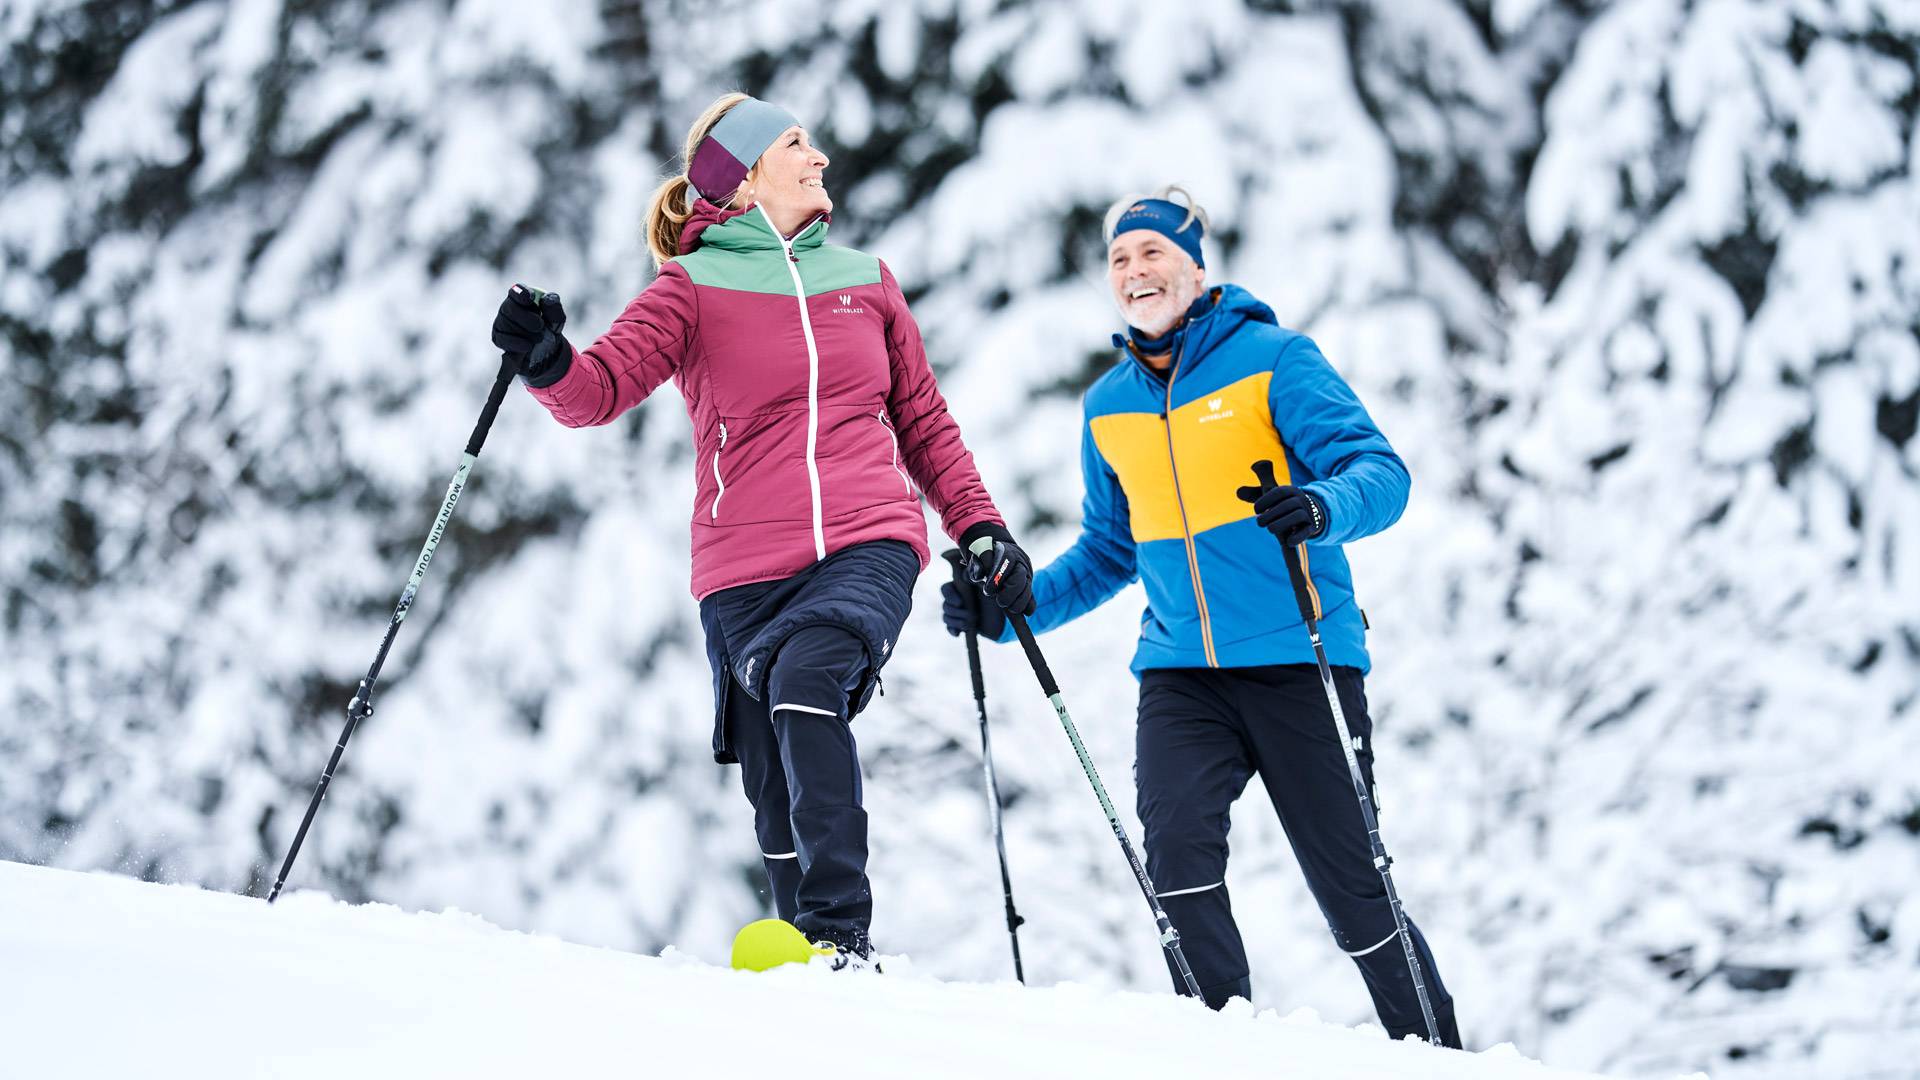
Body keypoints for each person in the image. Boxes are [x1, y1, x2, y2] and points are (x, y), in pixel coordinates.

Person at [490, 93, 1034, 968]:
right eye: (794, 144)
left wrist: (981, 529)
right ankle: (805, 974)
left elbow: (924, 423)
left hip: (868, 536)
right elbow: (595, 392)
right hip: (744, 567)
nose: (819, 157)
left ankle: (840, 937)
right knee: (771, 782)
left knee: (808, 678)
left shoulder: (866, 279)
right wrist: (544, 357)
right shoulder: (691, 288)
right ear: (742, 181)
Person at [944, 186, 1461, 1044]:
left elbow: (1383, 473)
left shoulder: (1276, 360)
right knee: (1177, 866)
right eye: (1119, 258)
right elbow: (1112, 551)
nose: (1136, 271)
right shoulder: (1107, 408)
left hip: (1303, 660)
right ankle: (1223, 1050)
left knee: (1354, 894)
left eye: (1152, 253)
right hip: (1182, 676)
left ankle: (1441, 1059)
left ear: (1194, 264)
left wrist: (1321, 505)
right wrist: (1012, 609)